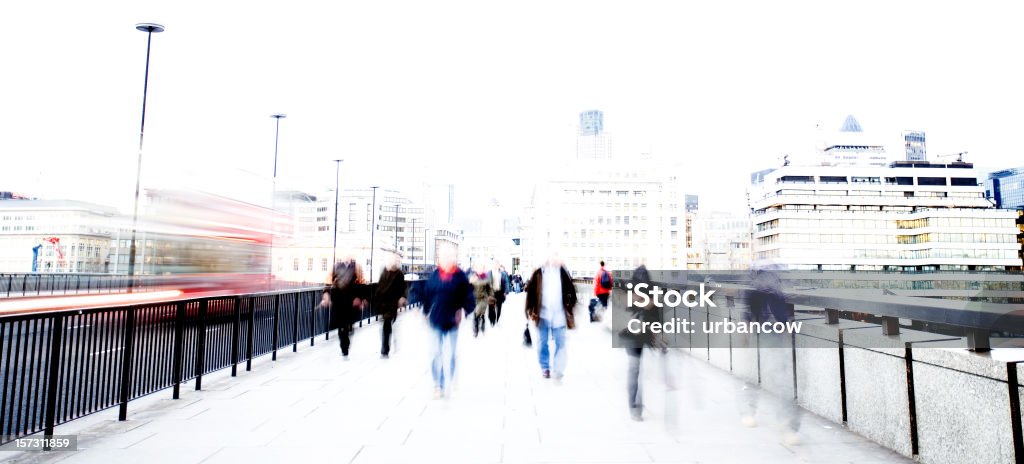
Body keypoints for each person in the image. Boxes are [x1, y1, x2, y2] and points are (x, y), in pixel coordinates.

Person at [420, 244, 474, 398]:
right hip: (436, 319)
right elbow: (427, 294)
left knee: (450, 354)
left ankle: (449, 378)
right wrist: (424, 311)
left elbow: (468, 295)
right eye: (445, 256)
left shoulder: (460, 276)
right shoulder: (434, 276)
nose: (448, 259)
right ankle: (437, 384)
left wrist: (466, 309)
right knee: (435, 353)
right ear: (440, 258)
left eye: (451, 256)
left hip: (452, 321)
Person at [525, 252, 577, 380]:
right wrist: (529, 309)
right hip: (542, 314)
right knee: (542, 343)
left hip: (559, 315)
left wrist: (570, 306)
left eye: (558, 256)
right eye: (553, 256)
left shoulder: (563, 273)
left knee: (560, 342)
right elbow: (530, 292)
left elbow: (572, 291)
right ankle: (545, 367)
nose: (556, 259)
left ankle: (558, 369)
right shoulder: (538, 273)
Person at [324, 257, 367, 358]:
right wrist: (326, 294)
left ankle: (346, 339)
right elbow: (328, 282)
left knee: (348, 324)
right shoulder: (336, 266)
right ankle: (344, 347)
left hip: (352, 301)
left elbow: (363, 284)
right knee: (341, 326)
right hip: (339, 300)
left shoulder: (357, 267)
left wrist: (361, 298)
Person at [374, 252, 407, 358]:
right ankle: (386, 343)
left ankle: (384, 349)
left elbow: (403, 288)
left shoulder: (399, 274)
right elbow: (380, 285)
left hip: (392, 303)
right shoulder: (384, 271)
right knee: (386, 325)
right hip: (382, 303)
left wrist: (402, 297)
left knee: (386, 323)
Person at [470, 265, 494, 337]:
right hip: (475, 299)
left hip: (483, 299)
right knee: (476, 314)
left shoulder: (486, 278)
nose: (479, 270)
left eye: (481, 268)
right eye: (478, 268)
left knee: (477, 313)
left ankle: (478, 328)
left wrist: (491, 296)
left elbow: (489, 289)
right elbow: (469, 288)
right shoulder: (473, 278)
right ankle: (478, 327)